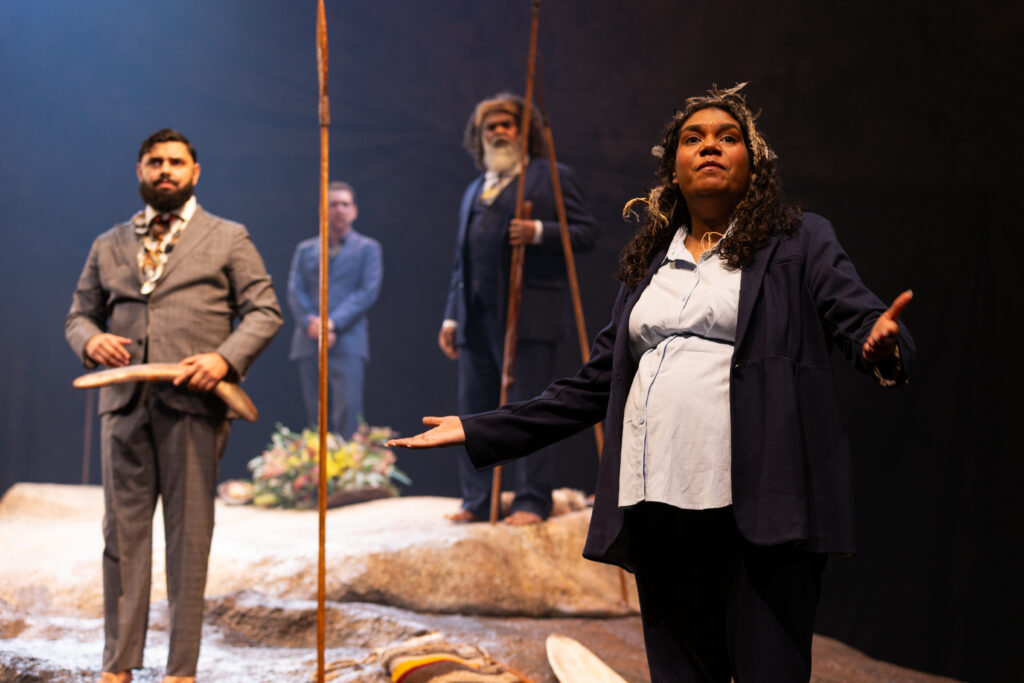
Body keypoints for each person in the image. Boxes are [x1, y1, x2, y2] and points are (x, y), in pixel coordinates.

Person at [391, 84, 915, 682]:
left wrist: (880, 342)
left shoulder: (799, 240)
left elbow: (860, 318)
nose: (710, 147)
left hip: (758, 506)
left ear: (754, 160)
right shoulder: (650, 263)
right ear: (674, 166)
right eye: (693, 139)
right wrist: (481, 427)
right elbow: (592, 386)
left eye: (728, 137)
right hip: (657, 502)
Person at [65, 129, 283, 683]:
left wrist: (224, 359)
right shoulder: (108, 243)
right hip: (124, 404)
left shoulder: (228, 236)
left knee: (189, 538)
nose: (166, 170)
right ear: (139, 170)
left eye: (176, 162)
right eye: (155, 162)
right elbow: (79, 316)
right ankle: (118, 665)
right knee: (122, 537)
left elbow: (264, 310)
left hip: (194, 405)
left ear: (195, 171)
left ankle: (180, 669)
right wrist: (90, 341)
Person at [438, 92, 597, 525]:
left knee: (529, 408)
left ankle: (531, 499)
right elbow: (462, 258)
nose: (499, 131)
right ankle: (477, 500)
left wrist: (539, 230)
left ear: (524, 130)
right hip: (476, 315)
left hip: (529, 315)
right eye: (491, 126)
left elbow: (586, 233)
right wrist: (452, 315)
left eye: (508, 123)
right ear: (480, 136)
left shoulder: (551, 176)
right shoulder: (476, 188)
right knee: (474, 407)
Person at [287, 181, 383, 438]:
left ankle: (345, 474)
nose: (339, 209)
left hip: (347, 341)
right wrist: (312, 322)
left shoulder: (368, 249)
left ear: (354, 210)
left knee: (347, 411)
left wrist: (332, 324)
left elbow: (367, 292)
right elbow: (295, 291)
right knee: (312, 412)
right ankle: (313, 472)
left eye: (345, 204)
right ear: (322, 210)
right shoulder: (305, 249)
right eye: (333, 204)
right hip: (309, 339)